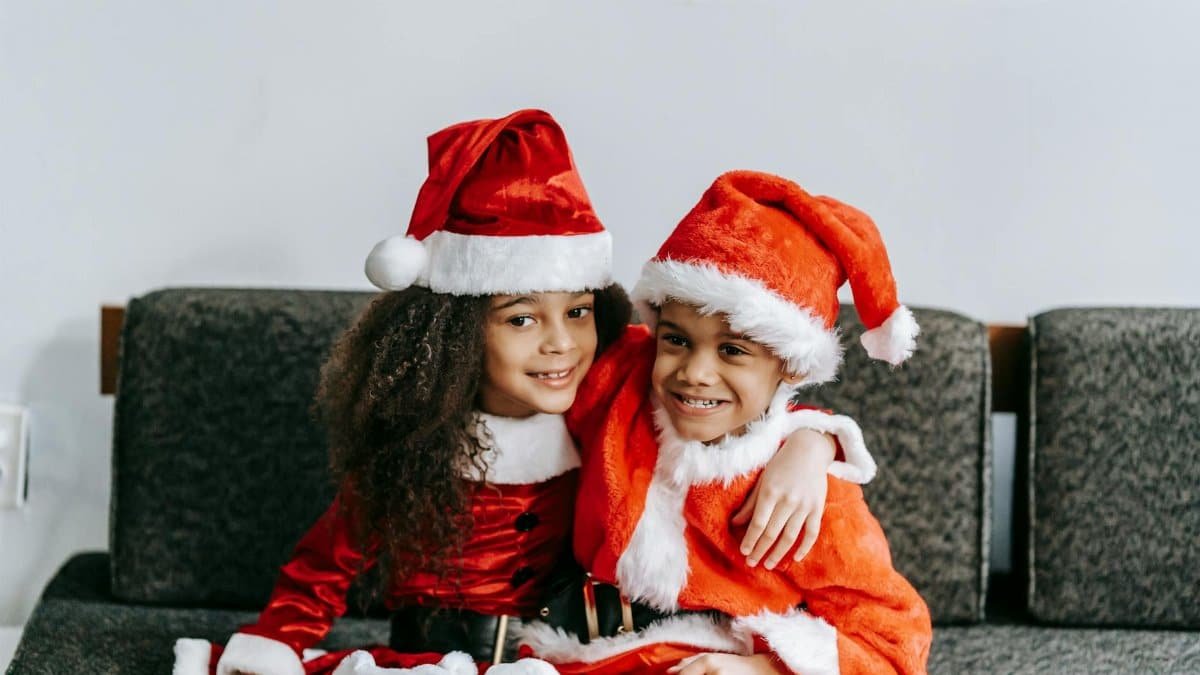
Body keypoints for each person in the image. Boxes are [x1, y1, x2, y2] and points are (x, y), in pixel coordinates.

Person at [172, 115, 860, 675]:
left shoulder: (607, 392)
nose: (560, 343)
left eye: (579, 311)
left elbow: (734, 383)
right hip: (424, 661)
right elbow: (323, 566)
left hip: (550, 659)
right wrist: (276, 643)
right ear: (459, 330)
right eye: (522, 318)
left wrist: (812, 439)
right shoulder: (418, 440)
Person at [521, 170, 932, 674]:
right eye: (675, 340)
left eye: (733, 350)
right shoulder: (621, 380)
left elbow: (895, 643)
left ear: (792, 364)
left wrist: (763, 669)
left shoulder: (810, 499)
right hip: (561, 652)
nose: (693, 373)